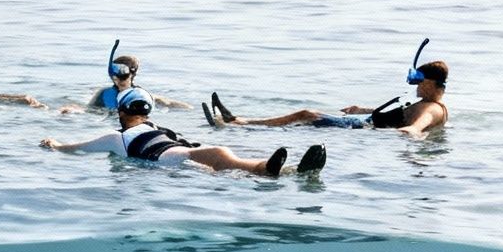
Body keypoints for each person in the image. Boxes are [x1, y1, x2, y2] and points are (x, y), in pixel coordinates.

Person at [41, 89, 325, 176]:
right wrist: (56, 145)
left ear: (122, 111)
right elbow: (74, 148)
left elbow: (75, 148)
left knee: (221, 159)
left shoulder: (118, 137)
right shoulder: (117, 138)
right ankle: (270, 170)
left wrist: (54, 144)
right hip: (170, 160)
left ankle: (287, 170)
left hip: (173, 158)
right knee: (220, 158)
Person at [205, 45, 450, 140]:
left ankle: (240, 124)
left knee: (305, 114)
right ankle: (242, 123)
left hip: (360, 129)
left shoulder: (430, 108)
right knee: (303, 122)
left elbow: (417, 126)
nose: (416, 85)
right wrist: (363, 109)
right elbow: (400, 115)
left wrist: (412, 133)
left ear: (431, 83)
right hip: (361, 121)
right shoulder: (424, 102)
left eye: (419, 80)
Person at [56, 41, 191, 114]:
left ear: (133, 74)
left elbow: (170, 104)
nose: (117, 80)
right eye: (113, 76)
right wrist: (73, 111)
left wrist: (194, 112)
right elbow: (89, 111)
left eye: (122, 76)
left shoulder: (141, 95)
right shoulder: (103, 94)